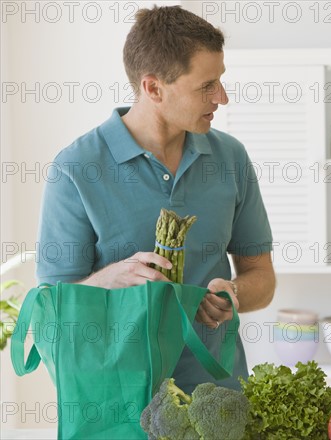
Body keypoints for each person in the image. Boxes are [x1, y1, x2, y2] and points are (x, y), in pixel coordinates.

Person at [36, 5, 276, 393]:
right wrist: (109, 281)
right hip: (120, 404)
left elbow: (261, 277)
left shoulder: (231, 158)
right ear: (153, 88)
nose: (223, 97)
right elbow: (51, 308)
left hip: (218, 399)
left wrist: (233, 294)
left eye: (220, 81)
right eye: (206, 86)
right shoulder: (77, 168)